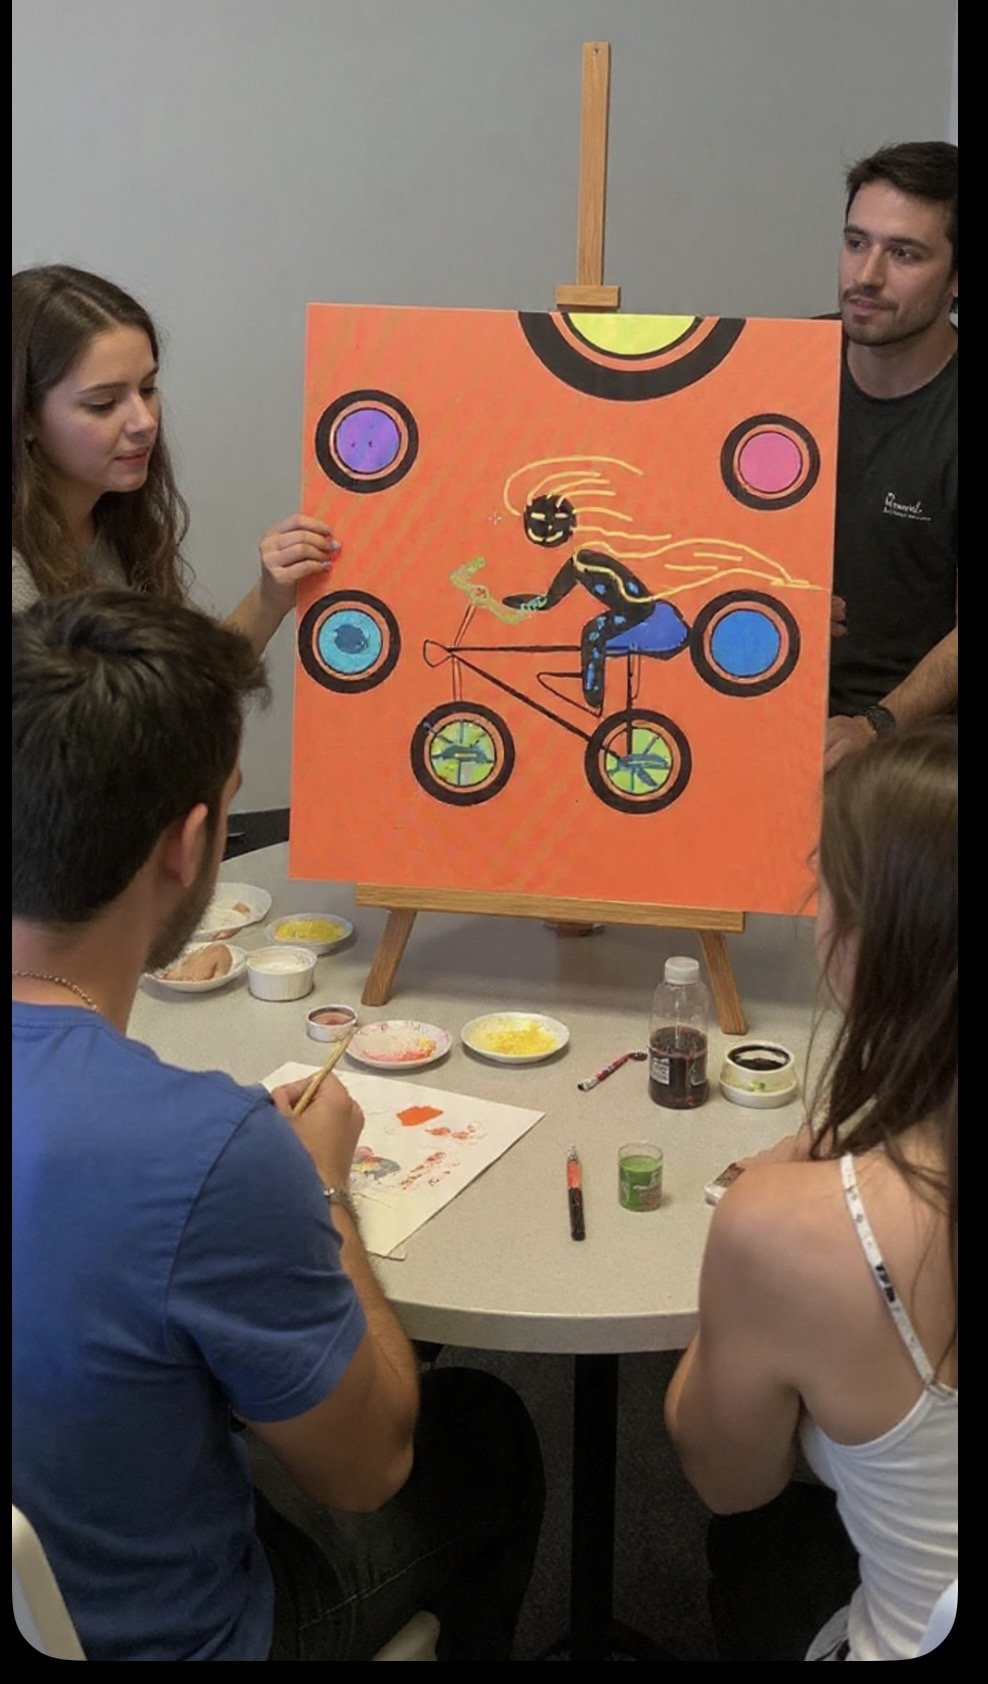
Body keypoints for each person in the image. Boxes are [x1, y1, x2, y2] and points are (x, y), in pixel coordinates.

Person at [12, 588, 545, 1663]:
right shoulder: (205, 1149)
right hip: (173, 1637)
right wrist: (322, 1186)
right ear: (189, 845)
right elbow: (368, 1470)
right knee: (482, 1431)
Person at [663, 717, 957, 1661]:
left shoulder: (795, 1229)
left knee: (753, 1540)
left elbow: (728, 1477)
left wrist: (762, 1213)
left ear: (869, 941)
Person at [12, 264, 338, 654]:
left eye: (148, 388)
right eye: (103, 404)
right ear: (26, 417)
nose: (145, 422)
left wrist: (269, 598)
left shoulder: (117, 522)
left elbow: (188, 678)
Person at [824, 141, 957, 773]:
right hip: (761, 694)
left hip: (912, 747)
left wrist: (875, 726)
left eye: (904, 253)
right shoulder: (777, 371)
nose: (867, 276)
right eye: (857, 243)